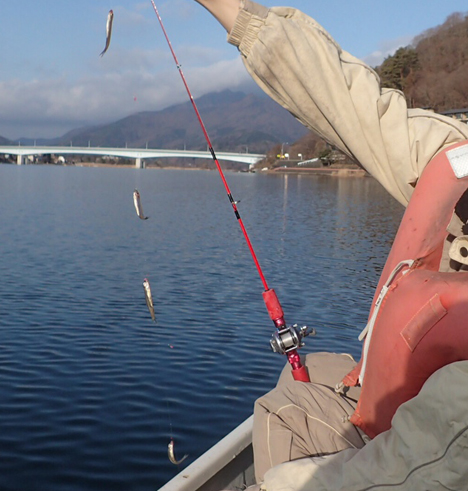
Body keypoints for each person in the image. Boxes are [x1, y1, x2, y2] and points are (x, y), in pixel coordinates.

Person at [193, 1, 468, 490]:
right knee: (312, 368)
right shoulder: (457, 156)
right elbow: (352, 102)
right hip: (419, 401)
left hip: (441, 444)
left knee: (284, 412)